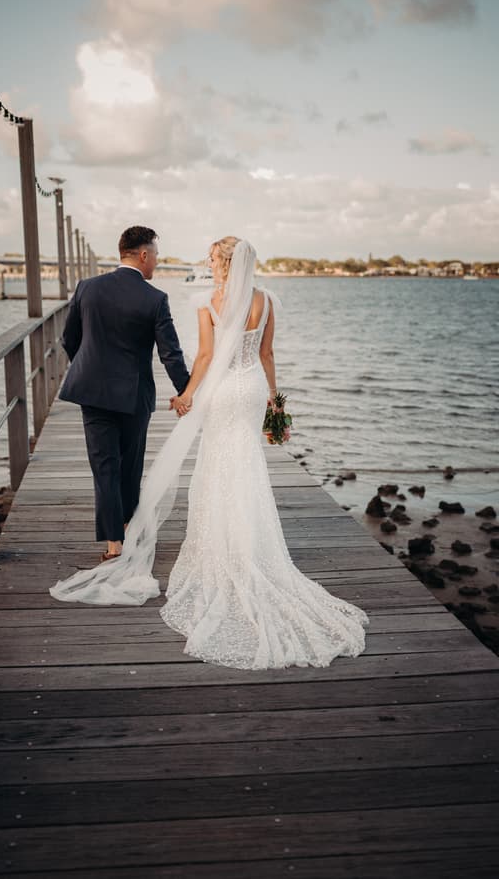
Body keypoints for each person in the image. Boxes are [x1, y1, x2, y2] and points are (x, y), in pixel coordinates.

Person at [50, 236, 369, 670]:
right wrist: (276, 405)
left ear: (219, 264)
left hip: (200, 392)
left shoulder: (204, 301)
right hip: (251, 389)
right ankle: (249, 548)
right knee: (247, 463)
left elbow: (202, 355)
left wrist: (187, 396)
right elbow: (265, 354)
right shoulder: (266, 300)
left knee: (202, 466)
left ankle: (143, 544)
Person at [57, 226, 190, 562]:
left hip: (93, 391)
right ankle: (128, 527)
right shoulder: (154, 298)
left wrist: (88, 368)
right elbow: (170, 354)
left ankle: (113, 543)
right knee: (130, 466)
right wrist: (186, 391)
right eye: (156, 255)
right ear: (143, 254)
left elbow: (69, 339)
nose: (157, 263)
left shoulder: (87, 288)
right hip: (134, 396)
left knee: (104, 466)